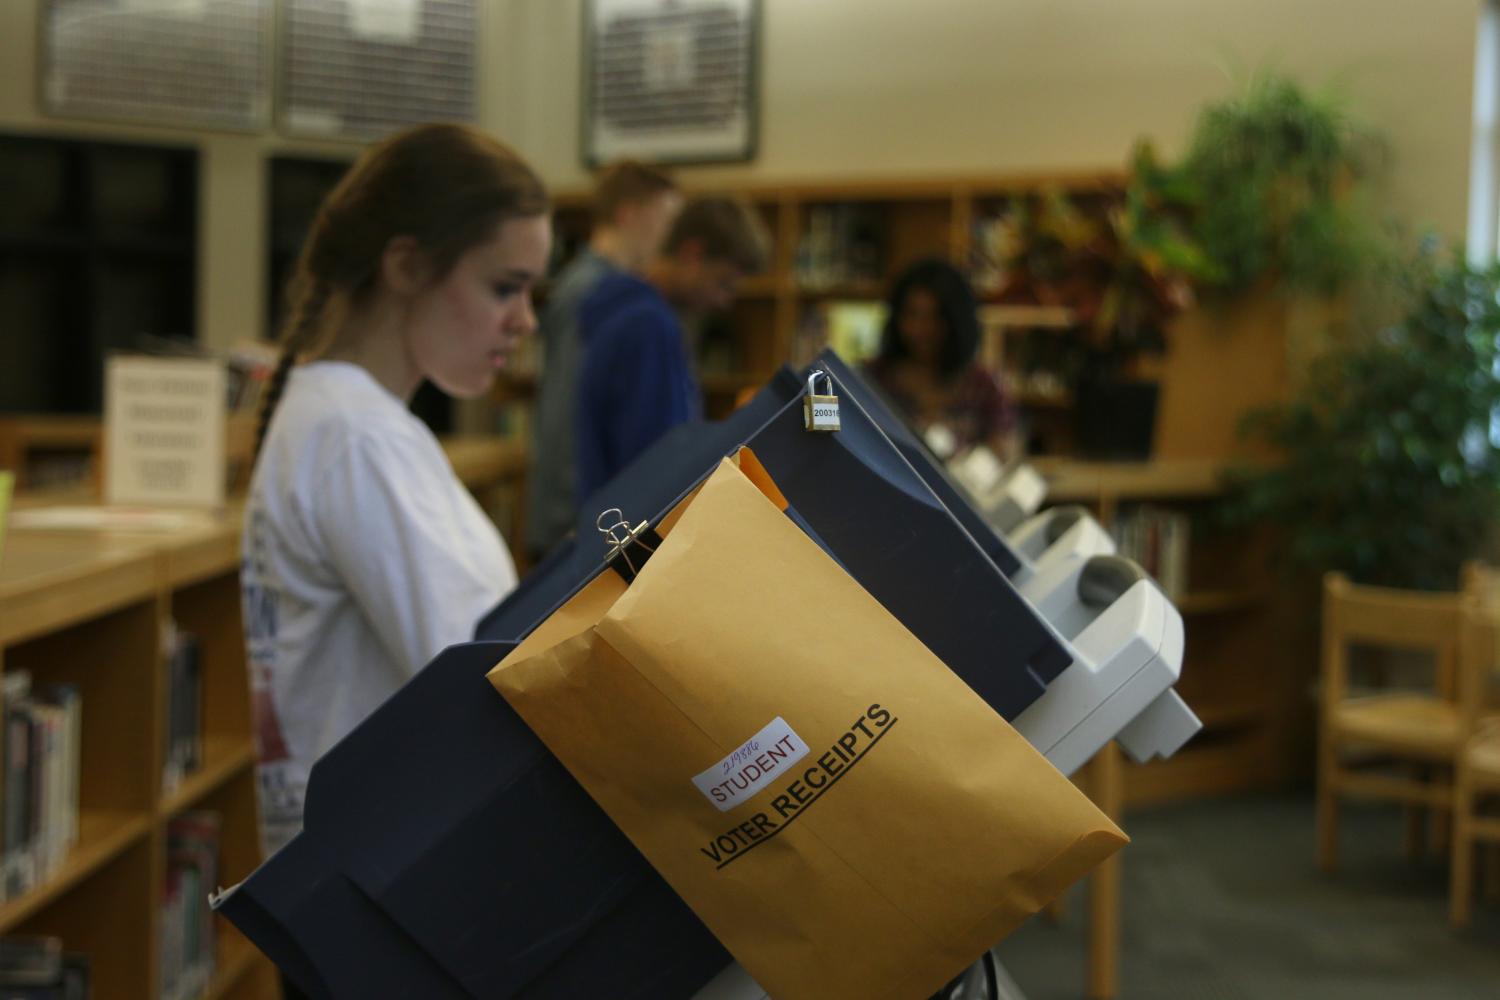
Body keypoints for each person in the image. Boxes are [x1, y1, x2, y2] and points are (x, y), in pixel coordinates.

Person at [240, 123, 549, 874]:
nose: (526, 321)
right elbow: (485, 683)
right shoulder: (357, 436)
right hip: (382, 887)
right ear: (408, 265)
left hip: (356, 874)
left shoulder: (341, 418)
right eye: (504, 287)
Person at [526, 161, 681, 561]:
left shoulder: (604, 288)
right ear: (629, 214)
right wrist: (572, 525)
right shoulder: (593, 292)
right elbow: (566, 414)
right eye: (664, 221)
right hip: (575, 525)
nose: (667, 237)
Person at [573, 196, 769, 500]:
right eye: (723, 283)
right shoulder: (649, 327)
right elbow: (655, 463)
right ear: (692, 254)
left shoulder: (634, 314)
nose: (724, 301)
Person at [864, 257, 1020, 463]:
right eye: (912, 314)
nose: (920, 329)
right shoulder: (872, 380)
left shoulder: (983, 386)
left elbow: (1004, 456)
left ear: (956, 321)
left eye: (935, 317)